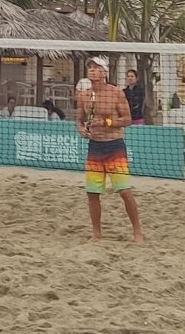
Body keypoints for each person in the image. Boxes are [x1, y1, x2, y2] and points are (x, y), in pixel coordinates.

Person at [74, 56, 143, 243]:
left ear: (104, 72)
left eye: (96, 68)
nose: (92, 70)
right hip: (94, 146)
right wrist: (81, 129)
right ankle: (96, 233)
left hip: (114, 146)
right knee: (92, 192)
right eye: (89, 67)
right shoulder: (84, 95)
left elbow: (127, 119)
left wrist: (107, 122)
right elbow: (79, 120)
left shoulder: (115, 93)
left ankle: (137, 232)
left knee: (124, 191)